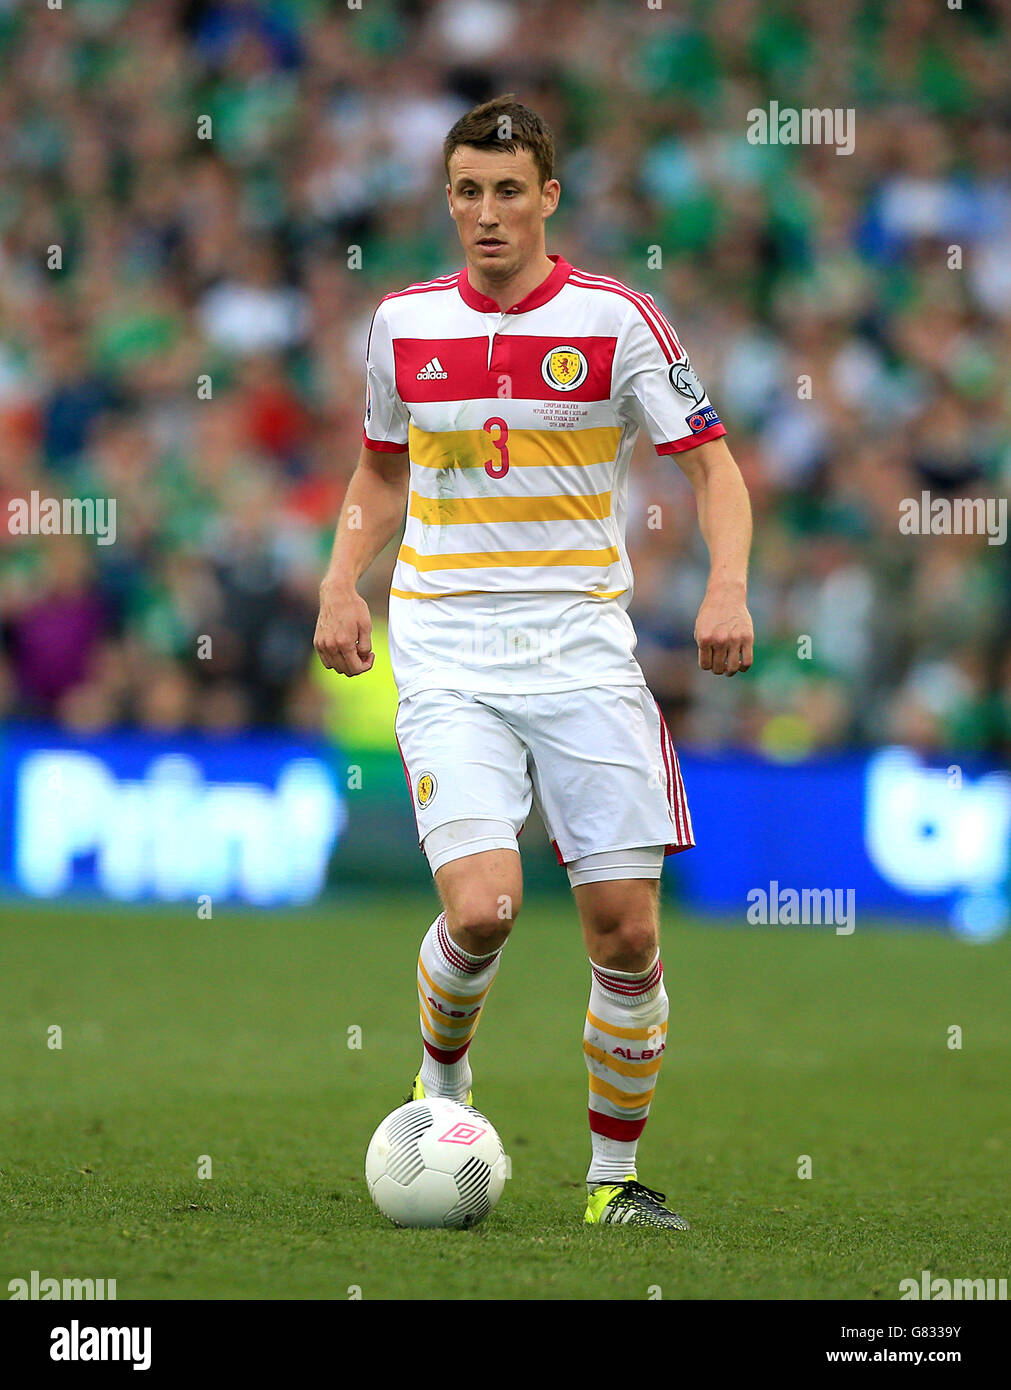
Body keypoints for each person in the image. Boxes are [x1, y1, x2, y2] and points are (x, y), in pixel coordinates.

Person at [314, 95, 754, 1229]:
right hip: (449, 647)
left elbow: (715, 470)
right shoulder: (401, 325)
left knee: (628, 931)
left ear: (549, 198)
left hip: (582, 655)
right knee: (487, 909)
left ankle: (613, 1183)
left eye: (510, 190)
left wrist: (726, 585)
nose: (488, 213)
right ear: (449, 199)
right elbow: (376, 474)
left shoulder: (619, 321)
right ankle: (444, 1082)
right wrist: (337, 583)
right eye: (468, 191)